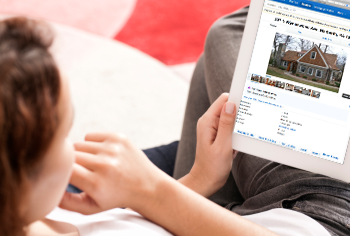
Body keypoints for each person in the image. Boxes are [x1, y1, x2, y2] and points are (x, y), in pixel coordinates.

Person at [1, 17, 332, 236]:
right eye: (62, 135)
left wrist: (201, 178)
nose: (72, 150)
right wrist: (149, 189)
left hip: (219, 209)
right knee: (234, 32)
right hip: (324, 217)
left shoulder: (30, 218)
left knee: (216, 76)